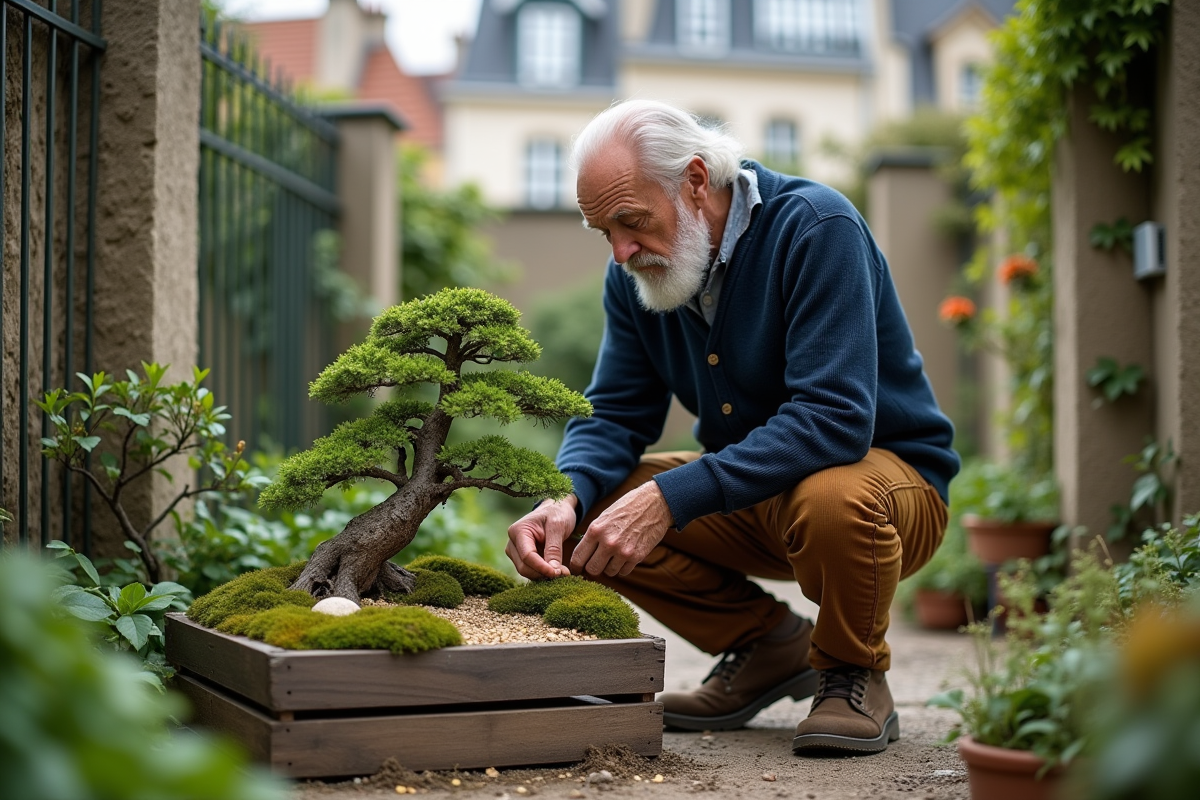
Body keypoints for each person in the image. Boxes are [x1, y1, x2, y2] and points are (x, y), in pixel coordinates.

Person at [506, 99, 960, 755]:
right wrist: (564, 494)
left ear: (695, 180)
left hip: (886, 491)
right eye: (602, 231)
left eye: (631, 222)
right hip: (760, 497)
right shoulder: (639, 272)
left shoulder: (816, 227)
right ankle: (768, 647)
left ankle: (851, 671)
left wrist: (669, 499)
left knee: (834, 498)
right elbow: (615, 413)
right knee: (598, 511)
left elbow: (834, 421)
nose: (620, 250)